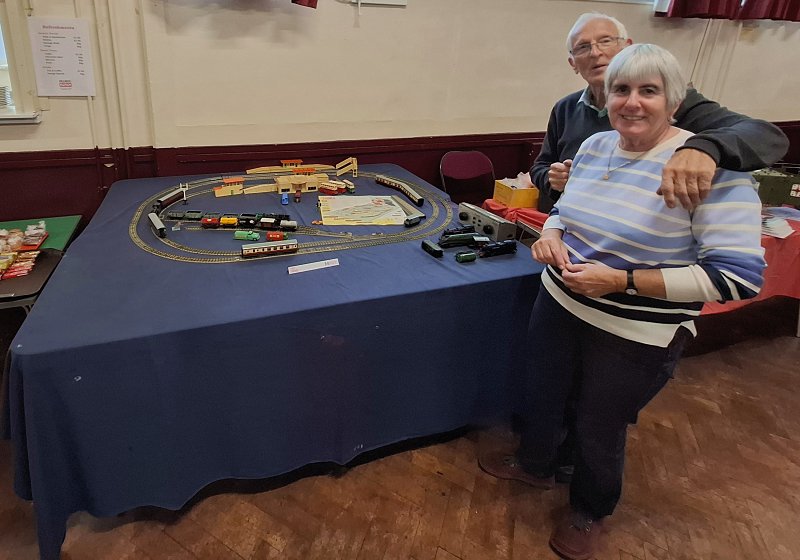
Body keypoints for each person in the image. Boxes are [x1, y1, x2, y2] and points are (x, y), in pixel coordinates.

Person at [481, 43, 767, 560]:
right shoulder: (594, 147)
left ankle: (590, 511)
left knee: (599, 424)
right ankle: (537, 464)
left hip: (636, 329)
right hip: (561, 302)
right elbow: (566, 210)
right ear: (605, 98)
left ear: (675, 102)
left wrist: (622, 281)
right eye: (621, 90)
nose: (632, 103)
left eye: (649, 91)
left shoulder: (711, 170)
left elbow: (738, 280)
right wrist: (553, 234)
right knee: (543, 389)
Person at [530, 12, 788, 212]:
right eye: (583, 47)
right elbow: (540, 166)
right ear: (573, 63)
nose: (596, 52)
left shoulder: (673, 102)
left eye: (606, 41)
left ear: (627, 47)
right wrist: (553, 181)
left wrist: (704, 148)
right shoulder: (565, 108)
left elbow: (766, 135)